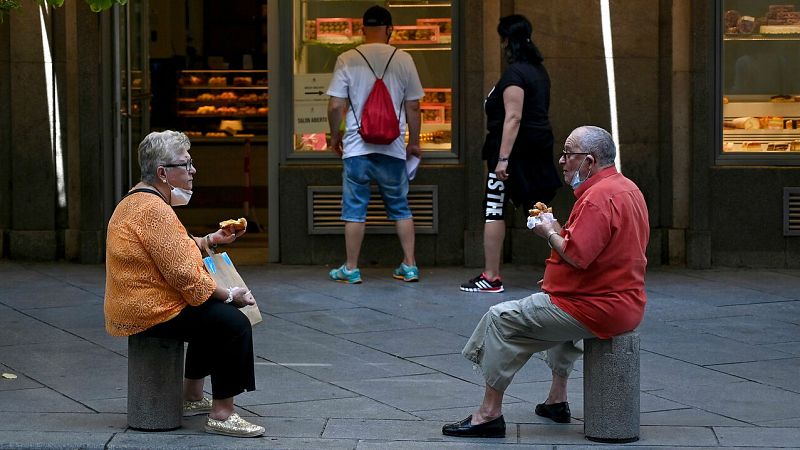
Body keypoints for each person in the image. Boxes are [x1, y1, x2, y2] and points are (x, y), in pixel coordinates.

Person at [443, 126, 649, 438]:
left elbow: (577, 256)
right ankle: (557, 399)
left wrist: (548, 232)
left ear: (590, 161)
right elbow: (605, 254)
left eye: (569, 155)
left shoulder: (597, 198)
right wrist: (557, 240)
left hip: (597, 306)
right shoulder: (627, 188)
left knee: (500, 320)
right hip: (621, 300)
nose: (563, 161)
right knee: (549, 308)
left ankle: (489, 414)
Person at [104, 130, 265, 438]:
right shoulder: (155, 210)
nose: (192, 171)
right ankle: (222, 413)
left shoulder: (137, 200)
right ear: (163, 173)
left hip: (137, 304)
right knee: (232, 322)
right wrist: (231, 295)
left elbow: (168, 249)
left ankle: (192, 396)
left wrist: (209, 241)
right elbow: (184, 276)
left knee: (208, 310)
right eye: (186, 164)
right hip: (147, 311)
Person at [460, 14, 562, 294]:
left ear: (506, 41)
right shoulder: (538, 71)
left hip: (511, 155)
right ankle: (572, 266)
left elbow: (513, 117)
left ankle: (491, 276)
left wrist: (503, 159)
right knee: (541, 210)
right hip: (536, 149)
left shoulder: (515, 74)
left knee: (494, 210)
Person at [326, 4, 424, 284]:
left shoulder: (347, 58)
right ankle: (410, 264)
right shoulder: (404, 59)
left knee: (354, 210)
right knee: (400, 207)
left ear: (362, 29)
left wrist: (336, 136)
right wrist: (413, 142)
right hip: (392, 149)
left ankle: (351, 268)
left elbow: (335, 105)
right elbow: (414, 107)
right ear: (390, 29)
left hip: (357, 148)